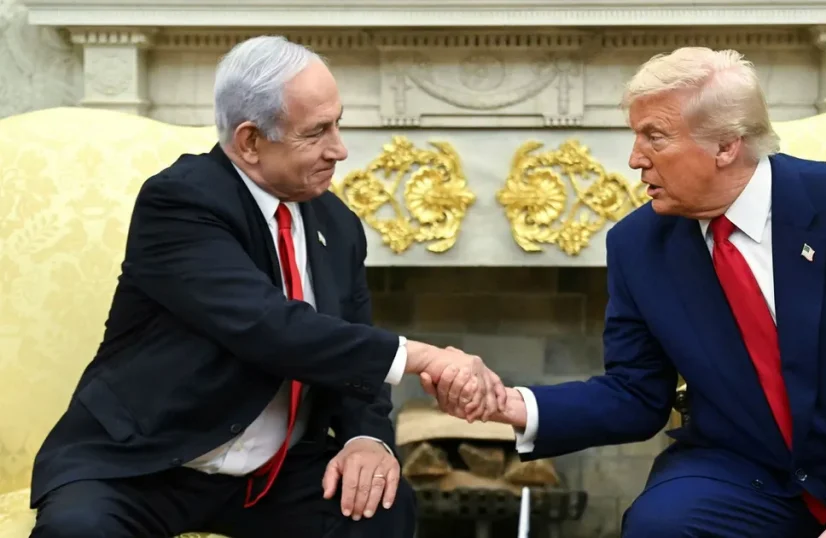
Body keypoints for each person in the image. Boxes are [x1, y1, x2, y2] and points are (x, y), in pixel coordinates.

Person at [427, 47, 826, 537]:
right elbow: (637, 392)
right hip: (745, 464)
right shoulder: (638, 245)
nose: (634, 159)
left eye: (655, 137)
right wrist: (514, 405)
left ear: (726, 146)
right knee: (661, 526)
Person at [28, 35, 505, 538]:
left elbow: (350, 350)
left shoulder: (338, 224)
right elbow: (269, 326)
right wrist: (425, 358)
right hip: (144, 462)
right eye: (316, 132)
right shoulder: (180, 202)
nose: (339, 149)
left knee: (379, 509)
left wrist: (366, 440)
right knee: (78, 531)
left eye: (337, 123)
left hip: (273, 474)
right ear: (250, 141)